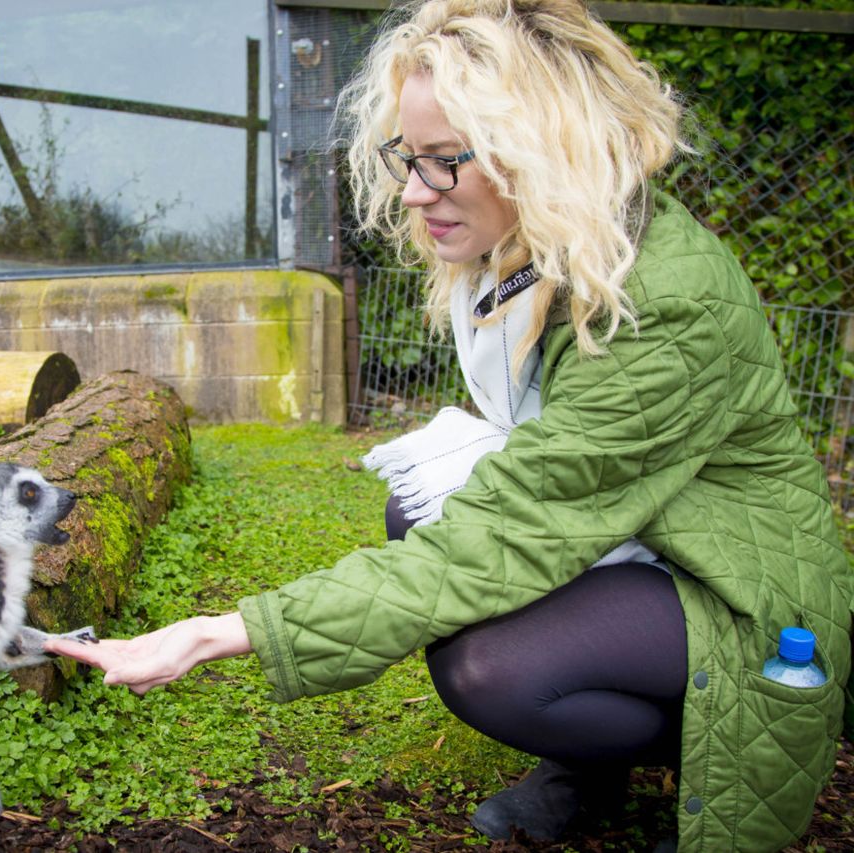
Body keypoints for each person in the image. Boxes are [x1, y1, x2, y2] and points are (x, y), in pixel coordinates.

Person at [47, 1, 854, 850]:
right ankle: (587, 765)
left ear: (539, 151)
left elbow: (509, 529)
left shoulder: (661, 305)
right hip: (650, 533)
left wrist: (218, 632)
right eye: (407, 156)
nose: (410, 189)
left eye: (442, 161)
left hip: (737, 583)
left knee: (489, 669)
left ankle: (719, 744)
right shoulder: (532, 251)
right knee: (416, 506)